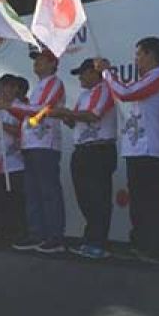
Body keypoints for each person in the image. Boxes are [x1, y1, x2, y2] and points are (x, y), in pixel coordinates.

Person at [96, 36, 159, 263]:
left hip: (150, 148)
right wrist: (112, 76)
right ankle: (140, 243)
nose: (136, 59)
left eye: (139, 54)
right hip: (135, 148)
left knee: (151, 200)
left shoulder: (157, 76)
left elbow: (126, 93)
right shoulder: (144, 79)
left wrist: (107, 73)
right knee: (138, 200)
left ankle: (155, 248)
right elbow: (126, 90)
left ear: (150, 54)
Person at [3, 47, 67, 254]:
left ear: (52, 64)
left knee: (49, 191)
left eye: (41, 60)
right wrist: (10, 107)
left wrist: (10, 106)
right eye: (36, 59)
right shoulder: (39, 86)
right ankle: (37, 233)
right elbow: (28, 114)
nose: (37, 63)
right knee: (32, 192)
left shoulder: (54, 84)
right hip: (30, 144)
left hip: (45, 143)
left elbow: (41, 110)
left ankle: (55, 236)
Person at [55, 58, 118, 260]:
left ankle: (98, 243)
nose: (80, 77)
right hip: (82, 150)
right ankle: (91, 239)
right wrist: (67, 117)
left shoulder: (105, 89)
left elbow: (93, 116)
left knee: (98, 198)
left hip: (99, 150)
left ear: (94, 73)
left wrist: (68, 113)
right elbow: (77, 122)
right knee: (85, 198)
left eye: (83, 73)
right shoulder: (83, 96)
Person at [0, 75, 28, 245]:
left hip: (16, 162)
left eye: (6, 87)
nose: (3, 91)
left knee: (16, 200)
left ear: (13, 89)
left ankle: (20, 232)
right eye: (0, 87)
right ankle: (2, 232)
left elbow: (23, 131)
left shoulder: (21, 107)